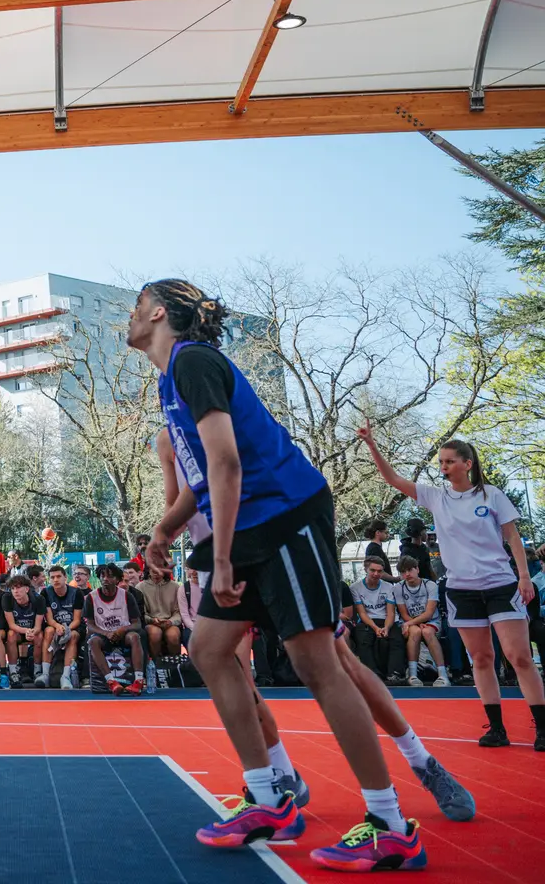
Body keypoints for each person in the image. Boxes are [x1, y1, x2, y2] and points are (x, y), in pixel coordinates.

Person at [132, 283, 425, 871]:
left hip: (282, 516)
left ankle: (390, 824)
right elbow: (199, 477)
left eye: (137, 305)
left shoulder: (193, 361)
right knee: (209, 649)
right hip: (246, 526)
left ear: (160, 312)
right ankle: (269, 799)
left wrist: (219, 558)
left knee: (318, 664)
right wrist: (165, 531)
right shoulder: (172, 381)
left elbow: (227, 461)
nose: (131, 317)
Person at [363, 426, 544, 750]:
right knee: (481, 659)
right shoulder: (436, 496)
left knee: (519, 657)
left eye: (449, 461)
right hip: (462, 590)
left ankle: (542, 727)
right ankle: (497, 728)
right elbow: (393, 480)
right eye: (441, 462)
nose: (443, 467)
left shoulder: (491, 495)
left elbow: (512, 537)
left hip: (500, 584)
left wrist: (524, 576)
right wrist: (372, 444)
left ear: (467, 463)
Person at [83, 563, 145, 694]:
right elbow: (90, 625)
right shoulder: (91, 597)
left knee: (135, 636)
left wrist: (122, 630)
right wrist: (106, 633)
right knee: (92, 641)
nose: (105, 579)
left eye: (110, 576)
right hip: (103, 634)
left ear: (117, 579)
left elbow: (137, 624)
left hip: (123, 633)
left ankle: (139, 681)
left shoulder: (127, 596)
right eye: (102, 575)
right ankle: (111, 681)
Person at [351, 555, 406, 685]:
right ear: (366, 569)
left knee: (396, 638)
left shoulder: (388, 587)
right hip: (368, 621)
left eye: (379, 571)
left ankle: (395, 673)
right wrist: (375, 628)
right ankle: (372, 674)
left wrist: (386, 628)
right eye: (373, 570)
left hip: (387, 620)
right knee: (364, 638)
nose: (376, 574)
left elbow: (391, 612)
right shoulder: (355, 588)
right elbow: (362, 613)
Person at [396, 557, 446, 687]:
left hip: (432, 621)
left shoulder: (430, 585)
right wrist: (414, 623)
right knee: (416, 632)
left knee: (428, 632)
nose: (407, 574)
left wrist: (413, 623)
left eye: (409, 570)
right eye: (403, 572)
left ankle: (443, 675)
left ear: (417, 569)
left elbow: (429, 613)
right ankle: (413, 675)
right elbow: (404, 614)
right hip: (410, 622)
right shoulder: (398, 588)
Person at [41, 564, 83, 688]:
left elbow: (77, 619)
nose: (55, 580)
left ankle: (66, 676)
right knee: (48, 631)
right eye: (52, 577)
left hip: (72, 625)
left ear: (65, 577)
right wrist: (57, 626)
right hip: (54, 625)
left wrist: (66, 629)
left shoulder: (76, 593)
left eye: (59, 576)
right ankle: (45, 675)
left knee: (74, 636)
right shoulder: (46, 592)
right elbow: (49, 619)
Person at [138, 564, 184, 673]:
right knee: (155, 634)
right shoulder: (140, 587)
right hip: (151, 622)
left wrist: (171, 621)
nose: (156, 573)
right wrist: (152, 620)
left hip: (170, 621)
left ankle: (175, 666)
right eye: (152, 569)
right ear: (148, 570)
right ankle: (156, 665)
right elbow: (141, 613)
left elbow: (179, 612)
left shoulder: (175, 587)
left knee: (173, 635)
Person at [3, 575, 42, 687]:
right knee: (10, 635)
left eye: (18, 588)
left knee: (39, 636)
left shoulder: (38, 599)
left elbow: (38, 626)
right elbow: (11, 625)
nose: (15, 591)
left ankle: (37, 671)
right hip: (18, 630)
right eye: (13, 588)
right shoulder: (7, 598)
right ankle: (13, 672)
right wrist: (26, 631)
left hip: (33, 630)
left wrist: (32, 632)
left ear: (26, 589)